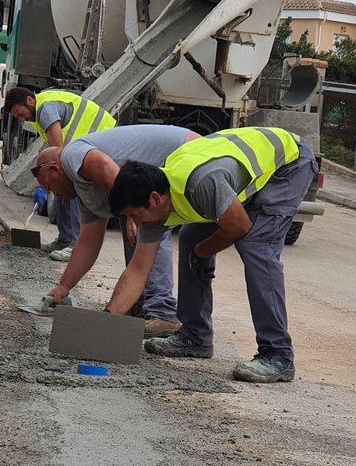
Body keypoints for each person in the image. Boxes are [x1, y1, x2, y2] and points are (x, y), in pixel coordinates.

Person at [106, 126, 318, 382]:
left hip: (288, 164)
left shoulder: (200, 182)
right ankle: (195, 336)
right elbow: (137, 271)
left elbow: (239, 226)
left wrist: (203, 251)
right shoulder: (157, 200)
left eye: (135, 215)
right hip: (241, 174)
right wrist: (106, 323)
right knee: (190, 235)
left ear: (154, 199)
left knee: (256, 245)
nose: (135, 223)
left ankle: (278, 354)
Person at [34, 124, 199, 337]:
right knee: (135, 222)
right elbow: (87, 244)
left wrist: (132, 212)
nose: (55, 195)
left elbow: (103, 165)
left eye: (49, 187)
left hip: (185, 151)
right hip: (161, 165)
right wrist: (64, 287)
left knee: (147, 222)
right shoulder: (84, 192)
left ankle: (162, 312)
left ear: (55, 170)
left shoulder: (71, 155)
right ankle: (138, 305)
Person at [4, 86, 116, 261]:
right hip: (86, 144)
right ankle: (65, 240)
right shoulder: (39, 109)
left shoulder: (45, 109)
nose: (21, 119)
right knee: (61, 188)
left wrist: (48, 181)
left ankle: (76, 245)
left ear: (29, 101)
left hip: (102, 140)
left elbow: (57, 151)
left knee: (71, 188)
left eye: (20, 113)